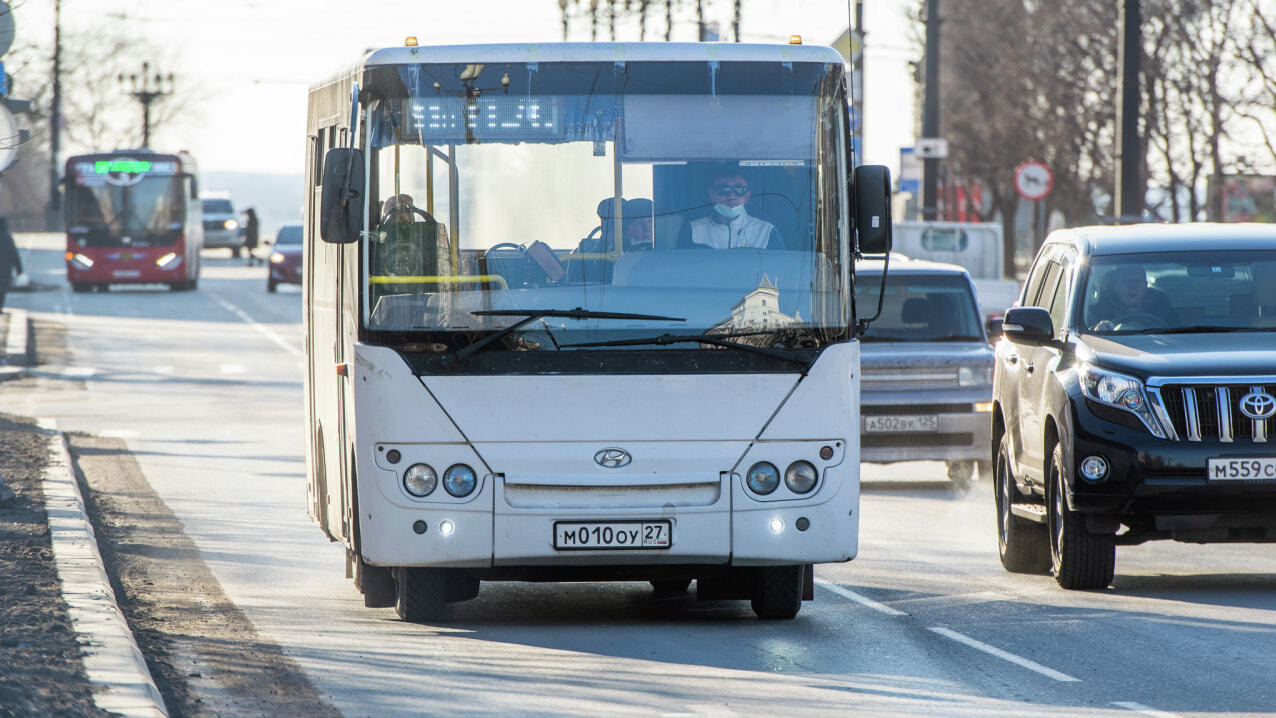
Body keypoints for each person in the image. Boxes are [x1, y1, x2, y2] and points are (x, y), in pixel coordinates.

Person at [676, 168, 783, 250]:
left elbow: (780, 272)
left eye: (739, 189)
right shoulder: (693, 230)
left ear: (747, 197)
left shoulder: (766, 232)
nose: (731, 196)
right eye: (724, 189)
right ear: (711, 195)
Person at [1090, 264, 1177, 329]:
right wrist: (1099, 329)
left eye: (1137, 281)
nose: (1132, 287)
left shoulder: (1161, 305)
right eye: (1126, 281)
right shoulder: (1099, 307)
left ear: (1146, 286)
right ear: (1115, 286)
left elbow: (1175, 331)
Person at [0, 218, 22, 313]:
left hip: (4, 269)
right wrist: (19, 270)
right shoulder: (7, 238)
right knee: (2, 289)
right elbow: (14, 255)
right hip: (4, 270)